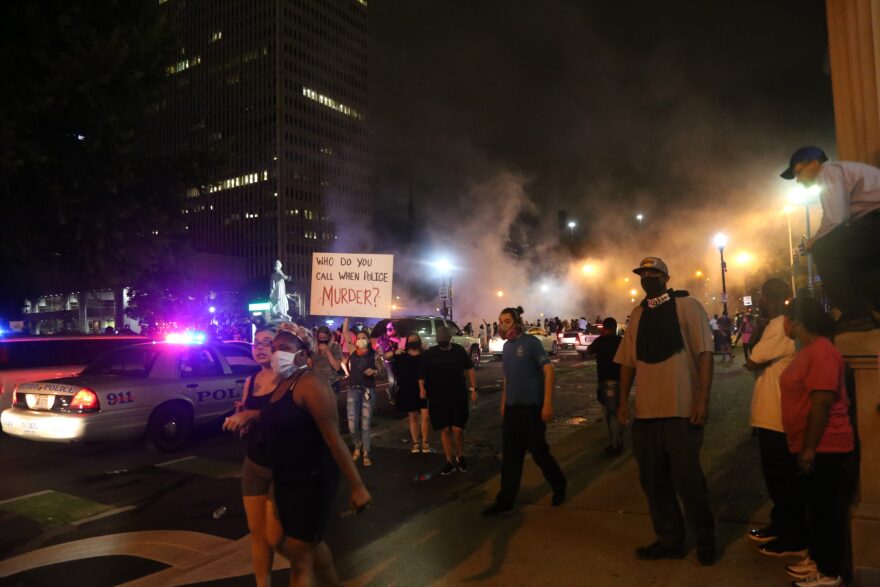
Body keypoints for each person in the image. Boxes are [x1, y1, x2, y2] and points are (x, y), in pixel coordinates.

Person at [224, 326, 371, 585]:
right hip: (285, 478)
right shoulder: (282, 383)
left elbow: (334, 440)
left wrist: (357, 486)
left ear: (302, 355)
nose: (276, 354)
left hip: (312, 479)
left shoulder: (311, 385)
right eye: (274, 348)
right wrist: (249, 419)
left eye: (285, 349)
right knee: (291, 544)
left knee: (300, 557)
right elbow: (276, 419)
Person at [615, 257, 717, 565]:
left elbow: (705, 354)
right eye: (643, 273)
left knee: (688, 479)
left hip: (681, 409)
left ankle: (704, 539)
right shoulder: (637, 314)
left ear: (666, 277)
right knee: (653, 481)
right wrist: (622, 401)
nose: (647, 277)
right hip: (646, 413)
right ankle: (669, 540)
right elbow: (627, 363)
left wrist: (702, 400)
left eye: (653, 273)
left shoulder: (688, 307)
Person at [776, 298, 858, 587]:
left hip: (825, 447)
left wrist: (809, 449)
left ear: (796, 321)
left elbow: (822, 403)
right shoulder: (810, 350)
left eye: (787, 317)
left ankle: (829, 573)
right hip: (812, 445)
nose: (784, 323)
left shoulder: (821, 352)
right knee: (816, 509)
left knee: (825, 512)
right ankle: (819, 561)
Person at [781, 146, 880, 332]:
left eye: (798, 173)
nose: (798, 181)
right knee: (855, 259)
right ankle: (873, 308)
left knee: (824, 249)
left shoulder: (829, 172)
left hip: (875, 220)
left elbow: (836, 218)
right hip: (871, 222)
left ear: (814, 164)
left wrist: (814, 241)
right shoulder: (841, 172)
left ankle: (855, 314)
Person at [743, 279, 807, 558]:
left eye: (760, 296)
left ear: (767, 299)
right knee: (779, 477)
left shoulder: (778, 325)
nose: (758, 301)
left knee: (781, 478)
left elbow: (752, 360)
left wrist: (758, 330)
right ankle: (781, 524)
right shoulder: (783, 323)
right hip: (776, 412)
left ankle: (792, 536)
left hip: (776, 414)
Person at [483, 306, 567, 516]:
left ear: (517, 322)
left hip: (531, 410)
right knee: (511, 457)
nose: (503, 325)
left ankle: (559, 485)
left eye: (507, 321)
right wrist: (504, 403)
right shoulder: (508, 347)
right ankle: (506, 500)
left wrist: (547, 403)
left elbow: (548, 370)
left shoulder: (531, 343)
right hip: (512, 410)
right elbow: (508, 378)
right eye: (501, 321)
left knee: (539, 453)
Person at [221, 326, 281, 587]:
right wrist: (241, 424)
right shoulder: (251, 380)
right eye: (256, 342)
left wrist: (252, 415)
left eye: (267, 342)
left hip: (284, 466)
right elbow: (246, 429)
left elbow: (291, 419)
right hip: (254, 464)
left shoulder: (290, 380)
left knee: (279, 538)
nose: (259, 347)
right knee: (258, 537)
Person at [419, 326, 477, 476]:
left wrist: (473, 389)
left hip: (458, 395)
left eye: (444, 340)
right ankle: (449, 460)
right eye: (440, 341)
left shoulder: (458, 351)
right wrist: (422, 389)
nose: (442, 343)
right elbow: (422, 374)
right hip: (438, 397)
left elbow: (470, 369)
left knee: (458, 430)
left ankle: (460, 454)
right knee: (445, 429)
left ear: (450, 339)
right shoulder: (431, 353)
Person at [387, 333, 431, 454]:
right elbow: (386, 357)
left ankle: (425, 442)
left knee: (425, 417)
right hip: (408, 389)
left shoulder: (425, 355)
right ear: (407, 342)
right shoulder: (403, 355)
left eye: (415, 340)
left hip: (424, 388)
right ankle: (416, 443)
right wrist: (395, 352)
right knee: (413, 417)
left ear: (419, 341)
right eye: (410, 340)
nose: (413, 341)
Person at [587, 317, 624, 455]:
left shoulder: (600, 341)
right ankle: (616, 441)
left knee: (611, 414)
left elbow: (589, 351)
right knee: (616, 411)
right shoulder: (620, 341)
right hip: (619, 380)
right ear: (615, 328)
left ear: (604, 328)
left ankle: (616, 445)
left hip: (605, 381)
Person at [346, 331, 381, 466]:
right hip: (353, 390)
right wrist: (347, 318)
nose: (360, 340)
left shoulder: (374, 353)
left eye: (363, 338)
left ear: (368, 340)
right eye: (358, 338)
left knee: (365, 424)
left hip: (368, 390)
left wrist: (374, 371)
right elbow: (345, 332)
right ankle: (357, 444)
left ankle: (365, 452)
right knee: (352, 424)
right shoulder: (352, 352)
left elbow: (382, 371)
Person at [309, 325, 344, 392]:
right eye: (320, 337)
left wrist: (327, 351)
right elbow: (310, 367)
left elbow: (337, 367)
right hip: (317, 383)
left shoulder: (335, 347)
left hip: (332, 383)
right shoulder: (313, 348)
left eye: (325, 337)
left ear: (329, 337)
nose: (322, 340)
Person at [376, 321, 400, 404]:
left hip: (397, 361)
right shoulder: (382, 338)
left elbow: (399, 341)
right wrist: (380, 352)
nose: (394, 330)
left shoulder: (396, 337)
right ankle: (391, 397)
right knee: (392, 380)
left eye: (395, 328)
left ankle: (394, 394)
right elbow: (378, 348)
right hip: (387, 362)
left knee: (397, 380)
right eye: (391, 328)